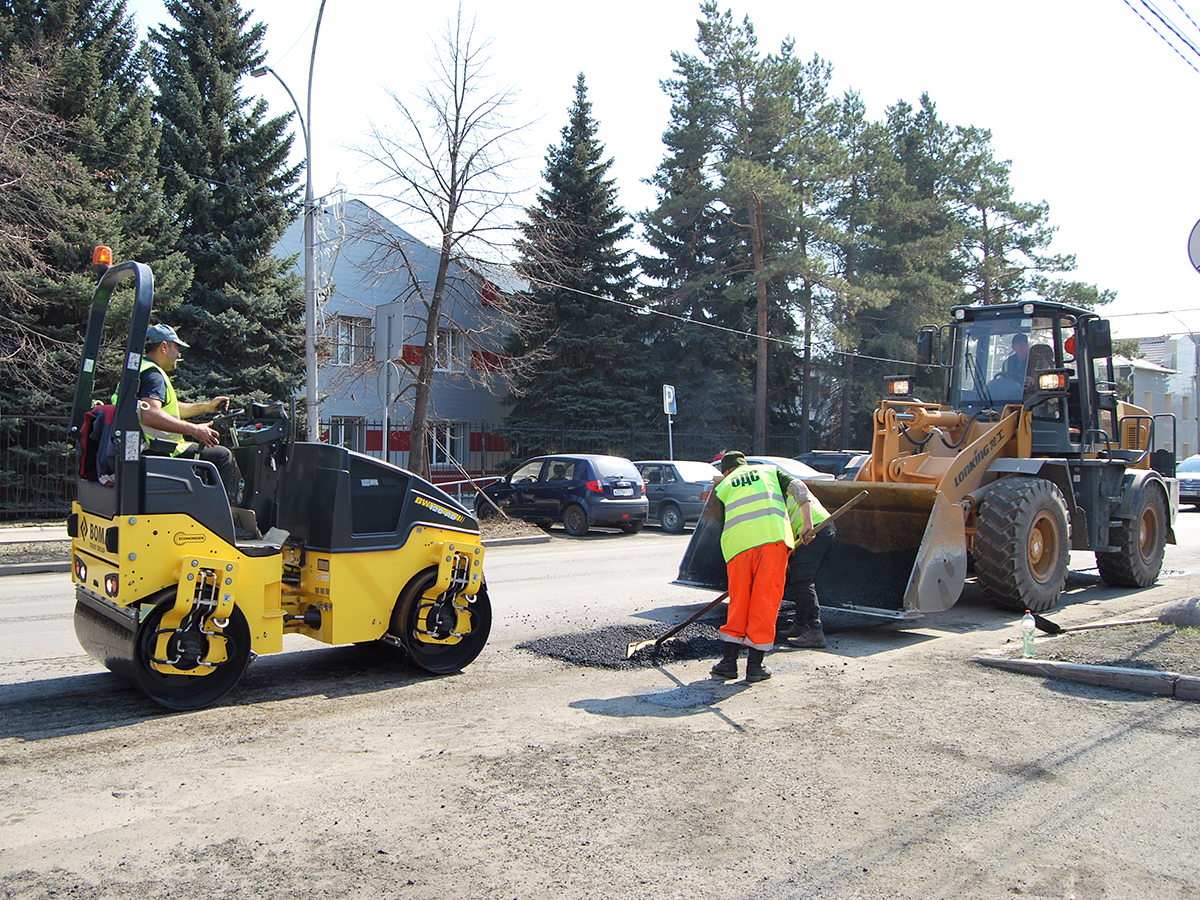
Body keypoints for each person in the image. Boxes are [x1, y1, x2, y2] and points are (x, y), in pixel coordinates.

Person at [709, 450, 806, 683]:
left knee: (739, 602)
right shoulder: (769, 471)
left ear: (727, 471)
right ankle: (755, 667)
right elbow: (800, 489)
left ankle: (728, 664)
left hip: (738, 547)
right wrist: (806, 525)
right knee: (765, 601)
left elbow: (722, 524)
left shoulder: (724, 486)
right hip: (773, 542)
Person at [131, 323, 241, 507]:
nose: (179, 354)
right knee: (222, 456)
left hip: (145, 446)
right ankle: (216, 518)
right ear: (164, 347)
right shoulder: (154, 376)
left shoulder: (141, 370)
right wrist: (194, 430)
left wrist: (207, 407)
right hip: (159, 449)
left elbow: (168, 410)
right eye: (176, 348)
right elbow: (150, 414)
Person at [778, 480, 834, 648]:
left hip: (814, 530)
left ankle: (814, 631)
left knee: (803, 579)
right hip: (820, 528)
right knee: (799, 577)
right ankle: (800, 624)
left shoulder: (777, 492)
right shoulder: (780, 489)